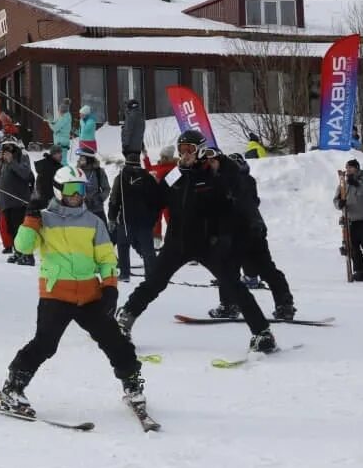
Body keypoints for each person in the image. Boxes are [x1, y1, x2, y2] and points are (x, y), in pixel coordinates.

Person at [0, 166, 145, 418]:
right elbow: (22, 247)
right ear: (59, 190)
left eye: (81, 190)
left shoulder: (94, 221)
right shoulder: (44, 218)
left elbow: (106, 258)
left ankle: (132, 385)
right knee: (45, 344)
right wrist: (30, 218)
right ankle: (12, 389)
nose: (77, 195)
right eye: (71, 189)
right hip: (56, 294)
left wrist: (110, 288)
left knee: (115, 341)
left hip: (90, 295)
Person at [116, 130, 278, 354]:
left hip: (206, 242)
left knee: (232, 284)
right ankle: (125, 319)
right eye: (181, 150)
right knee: (154, 283)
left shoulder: (213, 173)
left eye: (190, 150)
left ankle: (262, 332)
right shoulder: (175, 175)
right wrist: (142, 185)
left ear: (200, 150)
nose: (185, 154)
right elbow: (156, 202)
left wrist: (223, 166)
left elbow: (238, 188)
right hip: (176, 243)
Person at [210, 152, 295, 319]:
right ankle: (284, 305)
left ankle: (229, 305)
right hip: (251, 229)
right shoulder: (245, 180)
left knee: (229, 270)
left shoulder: (232, 181)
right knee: (265, 269)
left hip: (240, 232)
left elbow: (238, 204)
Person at [106, 154, 160, 284]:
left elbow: (114, 200)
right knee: (148, 250)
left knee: (123, 246)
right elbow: (156, 201)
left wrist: (112, 218)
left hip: (126, 221)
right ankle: (152, 276)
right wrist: (153, 220)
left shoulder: (120, 178)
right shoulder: (148, 178)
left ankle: (124, 273)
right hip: (144, 222)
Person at [336, 159, 363, 281]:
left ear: (357, 168)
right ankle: (359, 269)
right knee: (353, 246)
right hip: (350, 220)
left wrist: (357, 184)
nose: (348, 169)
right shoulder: (343, 184)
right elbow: (336, 200)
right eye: (347, 167)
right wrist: (340, 203)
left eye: (350, 167)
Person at [0, 139, 34, 266]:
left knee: (21, 230)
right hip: (6, 202)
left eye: (8, 148)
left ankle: (27, 254)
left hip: (19, 201)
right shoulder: (1, 163)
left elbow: (25, 173)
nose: (6, 151)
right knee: (11, 230)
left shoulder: (22, 158)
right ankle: (17, 251)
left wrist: (11, 161)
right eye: (4, 148)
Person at [76, 146, 110, 222]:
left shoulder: (98, 171)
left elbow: (106, 189)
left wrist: (99, 199)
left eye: (82, 158)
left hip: (98, 210)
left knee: (102, 232)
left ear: (89, 159)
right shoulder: (77, 172)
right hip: (82, 211)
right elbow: (74, 190)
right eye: (80, 158)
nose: (80, 160)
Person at [49, 98, 73, 164]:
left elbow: (55, 128)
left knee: (62, 161)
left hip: (61, 143)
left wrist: (49, 122)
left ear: (62, 111)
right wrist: (51, 121)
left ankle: (67, 173)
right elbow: (56, 123)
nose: (58, 112)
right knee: (60, 161)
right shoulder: (63, 117)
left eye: (59, 110)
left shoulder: (65, 118)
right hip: (61, 142)